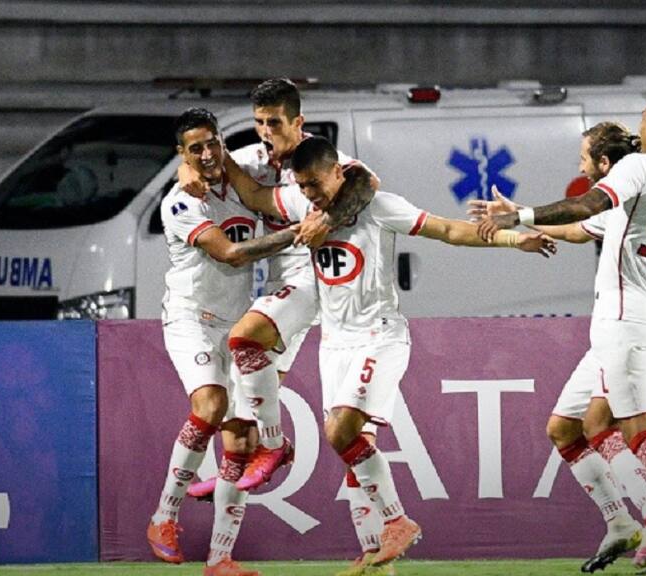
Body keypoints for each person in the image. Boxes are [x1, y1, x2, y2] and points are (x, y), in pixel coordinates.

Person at [224, 135, 556, 572]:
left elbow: (448, 230)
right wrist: (216, 153)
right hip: (334, 343)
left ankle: (398, 522)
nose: (311, 194)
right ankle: (378, 555)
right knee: (354, 447)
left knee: (340, 431)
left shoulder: (379, 206)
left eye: (316, 184)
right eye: (303, 186)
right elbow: (254, 194)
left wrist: (515, 240)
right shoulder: (304, 207)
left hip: (379, 336)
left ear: (339, 171)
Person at [180, 78, 393, 575]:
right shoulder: (253, 159)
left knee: (243, 341)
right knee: (239, 424)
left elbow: (365, 184)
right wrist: (186, 164)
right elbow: (211, 161)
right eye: (259, 122)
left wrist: (332, 214)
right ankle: (221, 559)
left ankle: (276, 446)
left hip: (313, 289)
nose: (266, 131)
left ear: (298, 122)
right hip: (281, 295)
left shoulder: (324, 161)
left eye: (275, 121)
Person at [476, 90, 646, 572]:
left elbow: (587, 204)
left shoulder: (638, 168)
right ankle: (639, 522)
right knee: (570, 425)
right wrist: (532, 230)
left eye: (643, 119)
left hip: (626, 321)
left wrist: (520, 216)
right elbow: (585, 227)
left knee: (640, 433)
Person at [147, 107, 301, 576]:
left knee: (240, 439)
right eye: (195, 149)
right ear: (182, 154)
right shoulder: (179, 201)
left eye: (213, 142)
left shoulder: (245, 167)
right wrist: (297, 235)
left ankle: (219, 559)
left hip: (236, 321)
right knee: (211, 405)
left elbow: (286, 149)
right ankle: (164, 517)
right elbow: (231, 254)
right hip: (191, 319)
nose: (209, 154)